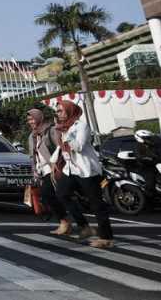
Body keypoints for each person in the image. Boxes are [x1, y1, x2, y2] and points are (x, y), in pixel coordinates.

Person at [50, 100, 114, 249]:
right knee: (61, 194)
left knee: (96, 203)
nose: (57, 114)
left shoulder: (81, 126)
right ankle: (84, 226)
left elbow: (78, 147)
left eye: (60, 111)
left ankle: (106, 238)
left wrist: (65, 134)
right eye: (57, 111)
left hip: (87, 171)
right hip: (71, 169)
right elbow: (61, 149)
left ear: (69, 111)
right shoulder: (62, 128)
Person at [25, 109, 84, 235]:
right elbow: (32, 155)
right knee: (53, 196)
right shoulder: (32, 136)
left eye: (32, 119)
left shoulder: (51, 130)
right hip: (43, 170)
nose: (31, 122)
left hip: (56, 168)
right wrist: (34, 170)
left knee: (60, 195)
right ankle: (68, 222)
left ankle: (75, 224)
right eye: (29, 119)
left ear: (39, 118)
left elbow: (61, 147)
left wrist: (57, 164)